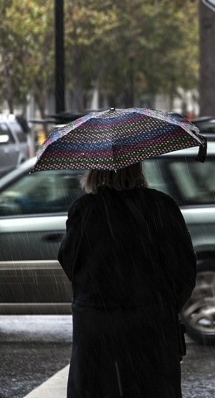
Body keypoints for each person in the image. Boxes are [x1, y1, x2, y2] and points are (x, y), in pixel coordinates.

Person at [58, 162, 197, 398]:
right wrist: (163, 305)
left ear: (94, 172)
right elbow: (185, 270)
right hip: (152, 327)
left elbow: (69, 262)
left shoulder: (84, 210)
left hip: (96, 330)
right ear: (137, 169)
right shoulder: (162, 206)